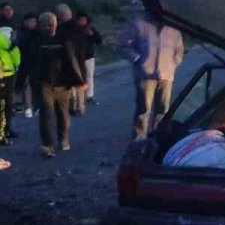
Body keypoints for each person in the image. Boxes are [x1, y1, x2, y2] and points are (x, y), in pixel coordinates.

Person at [117, 10, 185, 139]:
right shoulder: (138, 25)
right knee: (143, 110)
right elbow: (123, 46)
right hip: (145, 76)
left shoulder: (174, 29)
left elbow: (179, 50)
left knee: (163, 110)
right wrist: (138, 60)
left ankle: (157, 139)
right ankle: (139, 140)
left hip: (166, 76)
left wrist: (174, 63)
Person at [36, 11, 84, 157]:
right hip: (44, 82)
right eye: (45, 25)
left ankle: (63, 138)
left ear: (56, 24)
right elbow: (29, 62)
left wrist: (79, 80)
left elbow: (72, 60)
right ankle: (48, 144)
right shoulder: (37, 40)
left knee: (63, 114)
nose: (49, 27)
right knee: (47, 113)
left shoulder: (63, 39)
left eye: (51, 24)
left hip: (62, 83)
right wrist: (21, 82)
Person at [55, 4, 88, 117]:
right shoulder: (75, 27)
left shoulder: (66, 28)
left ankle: (77, 106)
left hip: (74, 57)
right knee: (77, 82)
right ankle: (77, 106)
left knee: (76, 82)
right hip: (76, 57)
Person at [0, 1, 21, 148]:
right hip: (3, 70)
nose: (8, 12)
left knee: (8, 103)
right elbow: (9, 45)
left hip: (9, 69)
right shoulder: (6, 28)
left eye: (10, 9)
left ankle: (7, 129)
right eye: (5, 9)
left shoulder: (13, 25)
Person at [74, 11, 103, 108]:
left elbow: (99, 41)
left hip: (88, 57)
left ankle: (89, 96)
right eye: (80, 20)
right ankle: (76, 97)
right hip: (76, 57)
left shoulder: (90, 29)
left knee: (89, 77)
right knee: (77, 77)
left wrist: (92, 34)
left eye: (84, 20)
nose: (82, 22)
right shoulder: (73, 30)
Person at [15, 13, 40, 119]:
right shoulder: (20, 33)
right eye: (30, 21)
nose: (32, 24)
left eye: (34, 21)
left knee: (36, 85)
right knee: (25, 85)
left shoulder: (38, 33)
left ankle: (36, 106)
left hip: (35, 62)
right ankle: (27, 107)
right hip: (23, 61)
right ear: (25, 22)